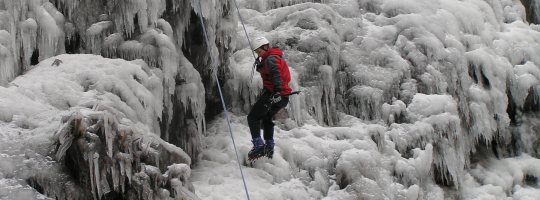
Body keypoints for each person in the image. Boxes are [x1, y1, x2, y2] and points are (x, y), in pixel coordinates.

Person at [247, 36, 292, 160]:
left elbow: (276, 73)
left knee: (253, 117)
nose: (258, 54)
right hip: (284, 97)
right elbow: (270, 72)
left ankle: (258, 145)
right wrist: (261, 66)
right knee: (267, 118)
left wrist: (277, 90)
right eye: (257, 52)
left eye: (259, 51)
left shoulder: (271, 59)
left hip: (274, 94)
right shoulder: (271, 58)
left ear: (266, 47)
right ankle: (269, 145)